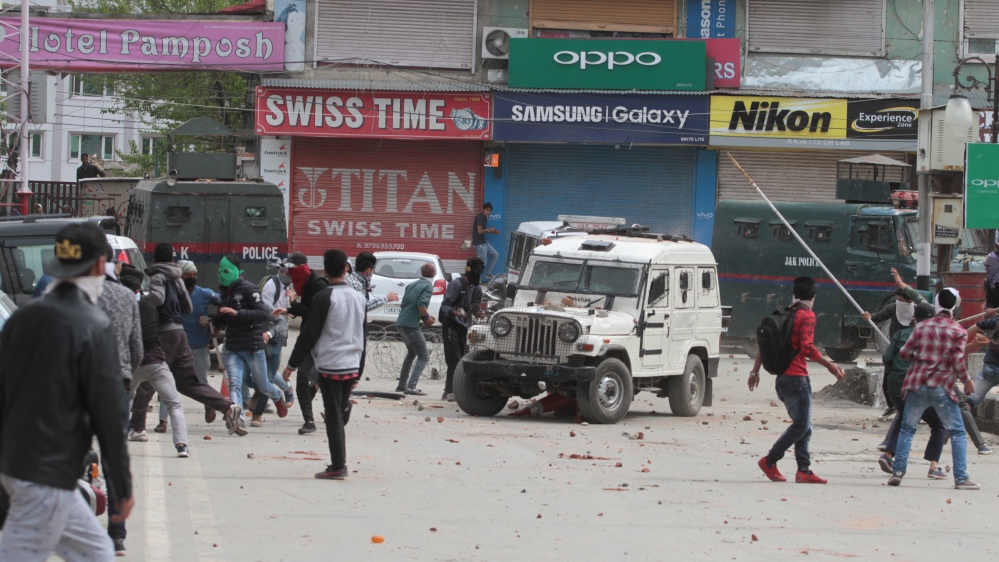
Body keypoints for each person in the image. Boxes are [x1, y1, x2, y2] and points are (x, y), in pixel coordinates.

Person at [0, 223, 133, 560]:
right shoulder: (92, 324)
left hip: (20, 466)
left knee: (97, 552)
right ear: (98, 265)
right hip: (47, 473)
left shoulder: (21, 318)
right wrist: (121, 488)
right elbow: (110, 415)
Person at [130, 244, 245, 438]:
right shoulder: (177, 278)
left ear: (155, 261)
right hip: (179, 333)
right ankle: (228, 407)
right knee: (188, 382)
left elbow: (157, 298)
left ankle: (137, 428)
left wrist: (141, 303)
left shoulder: (158, 275)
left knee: (149, 380)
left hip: (164, 334)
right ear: (173, 261)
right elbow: (187, 308)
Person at [749, 276, 846, 484]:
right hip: (796, 379)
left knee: (805, 425)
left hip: (783, 380)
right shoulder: (807, 315)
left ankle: (804, 470)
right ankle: (770, 460)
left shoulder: (786, 314)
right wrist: (829, 365)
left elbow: (765, 344)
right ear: (813, 297)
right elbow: (807, 347)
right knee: (801, 425)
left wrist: (755, 371)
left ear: (795, 295)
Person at [282, 249, 365, 480]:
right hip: (351, 363)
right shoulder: (359, 297)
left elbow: (309, 333)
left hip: (330, 365)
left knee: (333, 417)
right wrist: (360, 370)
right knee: (337, 411)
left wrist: (292, 364)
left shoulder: (324, 297)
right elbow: (364, 334)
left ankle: (339, 465)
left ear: (326, 270)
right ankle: (344, 411)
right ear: (346, 268)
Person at [888, 288, 979, 490]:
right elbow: (957, 360)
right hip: (942, 387)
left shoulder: (921, 327)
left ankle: (898, 471)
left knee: (907, 428)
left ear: (937, 303)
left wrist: (921, 358)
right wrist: (967, 381)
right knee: (956, 431)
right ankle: (961, 477)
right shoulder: (958, 331)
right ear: (955, 306)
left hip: (917, 384)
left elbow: (904, 353)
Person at [94, 248, 142, 556]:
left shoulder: (70, 296)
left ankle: (74, 522)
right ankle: (117, 532)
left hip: (76, 385)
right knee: (113, 455)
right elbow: (136, 347)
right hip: (117, 385)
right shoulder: (126, 297)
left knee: (73, 454)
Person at [119, 268, 190, 458]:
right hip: (156, 361)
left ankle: (120, 442)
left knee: (126, 399)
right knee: (174, 404)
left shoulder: (119, 310)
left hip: (132, 364)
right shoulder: (150, 308)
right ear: (137, 290)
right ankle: (182, 445)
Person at [213, 254, 289, 425]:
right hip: (233, 347)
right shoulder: (224, 293)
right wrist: (213, 323)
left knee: (263, 385)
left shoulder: (249, 289)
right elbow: (224, 318)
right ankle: (237, 419)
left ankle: (277, 396)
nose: (221, 275)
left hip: (252, 346)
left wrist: (237, 313)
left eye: (225, 271)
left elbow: (262, 313)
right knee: (235, 384)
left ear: (235, 271)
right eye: (219, 271)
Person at [877, 303, 948, 478]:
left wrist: (896, 372)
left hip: (894, 387)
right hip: (918, 387)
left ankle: (888, 455)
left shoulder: (901, 334)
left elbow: (886, 357)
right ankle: (933, 466)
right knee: (939, 424)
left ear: (914, 318)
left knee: (903, 416)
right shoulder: (934, 337)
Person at [861, 268, 927, 441]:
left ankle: (915, 412)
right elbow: (879, 316)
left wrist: (899, 281)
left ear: (909, 300)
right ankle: (892, 405)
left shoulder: (917, 313)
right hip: (895, 349)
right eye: (897, 299)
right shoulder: (893, 308)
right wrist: (869, 317)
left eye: (901, 299)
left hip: (913, 353)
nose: (898, 302)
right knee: (889, 379)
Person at [277, 252, 329, 434]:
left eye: (293, 270)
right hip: (307, 337)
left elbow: (313, 314)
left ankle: (342, 407)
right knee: (302, 378)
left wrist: (293, 303)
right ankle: (309, 420)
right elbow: (307, 312)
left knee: (327, 379)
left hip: (322, 339)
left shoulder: (319, 285)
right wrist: (288, 309)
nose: (290, 275)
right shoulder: (306, 285)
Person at [247, 264, 296, 427]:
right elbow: (265, 310)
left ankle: (257, 414)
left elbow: (294, 313)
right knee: (249, 377)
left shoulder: (290, 286)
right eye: (284, 272)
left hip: (277, 335)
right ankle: (278, 390)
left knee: (268, 376)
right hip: (262, 334)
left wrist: (292, 302)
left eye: (289, 273)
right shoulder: (271, 285)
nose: (286, 276)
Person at [345, 251, 399, 377]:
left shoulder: (361, 281)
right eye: (372, 270)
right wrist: (385, 299)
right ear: (368, 269)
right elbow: (363, 306)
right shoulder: (354, 283)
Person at [440, 257, 485, 402]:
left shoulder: (477, 288)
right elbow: (445, 305)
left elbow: (476, 306)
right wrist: (454, 312)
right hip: (451, 325)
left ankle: (460, 390)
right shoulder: (456, 285)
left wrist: (479, 313)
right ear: (468, 272)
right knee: (454, 360)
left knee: (464, 359)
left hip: (465, 327)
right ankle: (448, 391)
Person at [395, 263, 437, 395]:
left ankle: (401, 386)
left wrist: (424, 316)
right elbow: (421, 304)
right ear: (435, 273)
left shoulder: (412, 285)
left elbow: (405, 303)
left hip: (401, 322)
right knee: (424, 356)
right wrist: (427, 318)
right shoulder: (428, 286)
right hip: (411, 324)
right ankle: (411, 386)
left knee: (412, 353)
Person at [472, 202, 500, 280]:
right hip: (479, 244)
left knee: (495, 255)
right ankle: (476, 278)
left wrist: (494, 231)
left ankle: (488, 274)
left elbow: (484, 230)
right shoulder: (480, 217)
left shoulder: (484, 217)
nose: (488, 212)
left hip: (483, 242)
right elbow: (479, 231)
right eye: (487, 210)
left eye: (490, 210)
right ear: (483, 210)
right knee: (482, 262)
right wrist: (489, 230)